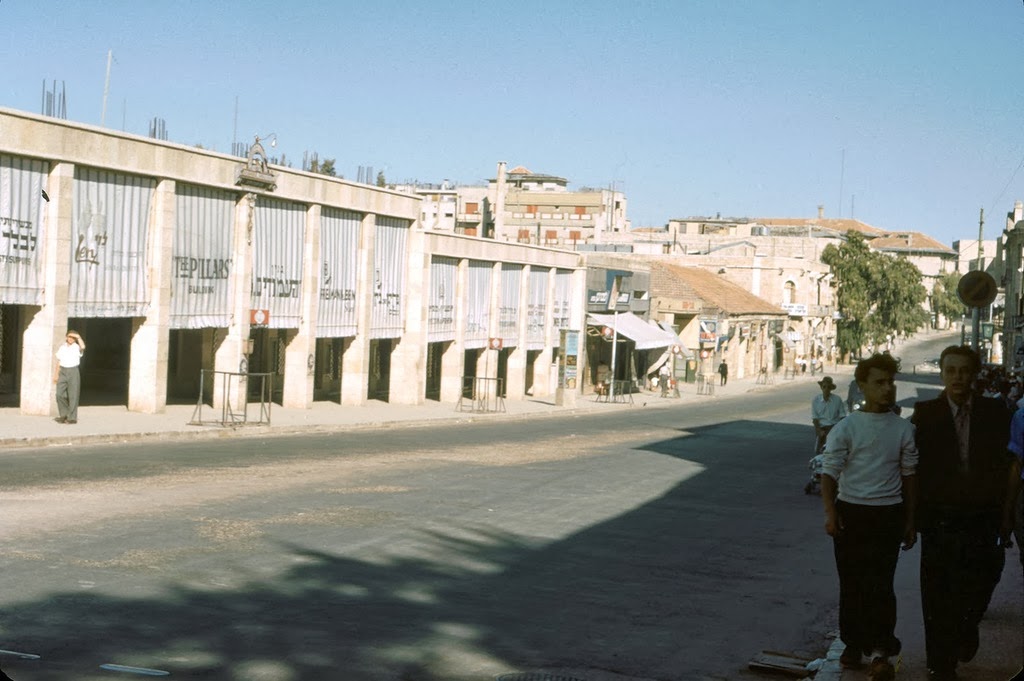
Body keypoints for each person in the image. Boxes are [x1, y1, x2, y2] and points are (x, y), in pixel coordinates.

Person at [910, 345, 1020, 680]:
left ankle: (967, 625)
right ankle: (939, 663)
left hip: (982, 517)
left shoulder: (995, 412)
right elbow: (911, 469)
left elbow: (1007, 466)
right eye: (951, 370)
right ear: (942, 373)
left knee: (981, 580)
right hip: (939, 518)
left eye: (964, 371)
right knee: (937, 592)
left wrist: (1006, 516)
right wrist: (911, 519)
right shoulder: (924, 414)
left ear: (974, 374)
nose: (957, 377)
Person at [820, 353, 917, 678]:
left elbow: (909, 476)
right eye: (879, 382)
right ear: (862, 386)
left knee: (880, 584)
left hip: (887, 516)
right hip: (851, 515)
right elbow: (829, 474)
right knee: (851, 583)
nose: (887, 389)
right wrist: (831, 514)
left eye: (890, 382)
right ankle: (852, 643)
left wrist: (910, 520)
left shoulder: (903, 429)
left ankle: (880, 651)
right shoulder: (847, 427)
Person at [53, 329, 85, 424]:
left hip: (73, 371)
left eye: (73, 338)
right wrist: (56, 374)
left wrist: (78, 337)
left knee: (73, 395)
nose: (71, 339)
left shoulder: (76, 347)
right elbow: (59, 361)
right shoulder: (62, 347)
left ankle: (72, 417)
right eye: (69, 337)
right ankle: (64, 414)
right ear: (66, 337)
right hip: (63, 370)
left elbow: (83, 346)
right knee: (59, 394)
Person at [812, 376, 847, 453]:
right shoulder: (816, 400)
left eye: (828, 387)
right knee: (819, 452)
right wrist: (818, 430)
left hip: (834, 427)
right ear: (821, 387)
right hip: (822, 428)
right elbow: (815, 418)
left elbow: (842, 416)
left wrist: (841, 430)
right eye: (824, 387)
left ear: (831, 388)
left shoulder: (837, 399)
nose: (826, 389)